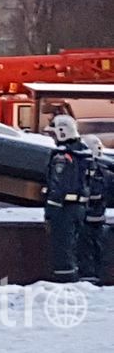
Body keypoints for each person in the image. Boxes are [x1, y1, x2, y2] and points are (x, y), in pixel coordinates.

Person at [44, 114, 92, 282]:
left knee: (62, 247)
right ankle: (75, 276)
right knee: (75, 246)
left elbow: (58, 186)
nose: (53, 138)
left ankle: (64, 281)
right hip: (80, 209)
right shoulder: (84, 153)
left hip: (63, 209)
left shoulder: (62, 157)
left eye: (54, 133)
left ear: (62, 132)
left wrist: (50, 211)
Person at [78, 135, 110, 283]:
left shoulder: (86, 171)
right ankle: (95, 275)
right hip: (98, 219)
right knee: (97, 250)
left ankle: (89, 276)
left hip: (86, 220)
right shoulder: (105, 172)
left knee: (86, 250)